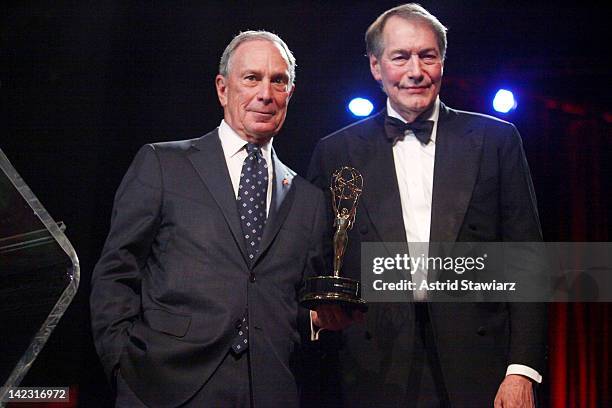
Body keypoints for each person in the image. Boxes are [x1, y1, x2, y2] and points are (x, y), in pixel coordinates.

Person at [308, 4, 547, 407]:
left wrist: (521, 370)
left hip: (479, 369)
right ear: (375, 66)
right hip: (372, 370)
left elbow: (528, 261)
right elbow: (312, 260)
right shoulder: (336, 152)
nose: (415, 71)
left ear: (442, 62)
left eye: (427, 55)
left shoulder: (496, 140)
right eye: (400, 57)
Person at [90, 31, 329, 407]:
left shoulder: (308, 200)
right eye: (251, 78)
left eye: (278, 81)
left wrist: (315, 319)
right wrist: (122, 363)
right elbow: (116, 272)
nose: (265, 93)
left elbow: (289, 301)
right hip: (164, 385)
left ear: (290, 93)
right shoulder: (162, 164)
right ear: (222, 88)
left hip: (268, 391)